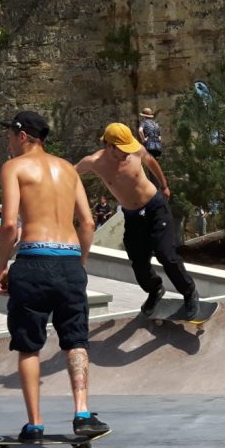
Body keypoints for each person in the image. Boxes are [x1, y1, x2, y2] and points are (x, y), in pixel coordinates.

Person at [0, 110, 108, 440]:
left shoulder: (14, 167)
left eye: (9, 136)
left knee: (28, 345)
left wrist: (2, 266)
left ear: (22, 136)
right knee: (76, 340)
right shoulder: (69, 169)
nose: (8, 143)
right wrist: (79, 262)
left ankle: (35, 424)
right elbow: (88, 223)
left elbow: (9, 225)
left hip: (33, 262)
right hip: (70, 263)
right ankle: (82, 413)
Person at [76, 122, 202, 318]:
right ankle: (155, 289)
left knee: (165, 253)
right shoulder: (93, 162)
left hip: (155, 207)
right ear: (109, 146)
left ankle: (189, 292)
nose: (128, 153)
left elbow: (151, 161)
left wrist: (164, 185)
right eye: (122, 149)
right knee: (138, 260)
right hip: (132, 216)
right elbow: (68, 174)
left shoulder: (135, 151)